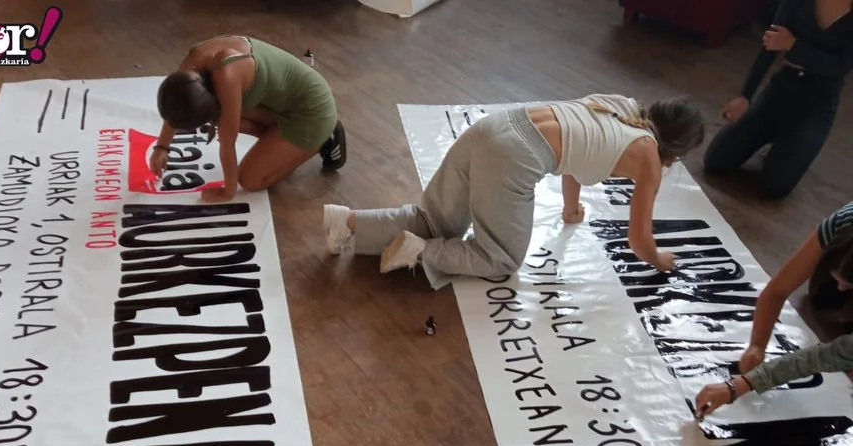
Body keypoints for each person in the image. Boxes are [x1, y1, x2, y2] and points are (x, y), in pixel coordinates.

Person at [322, 94, 705, 290]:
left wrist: (571, 210)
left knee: (434, 220)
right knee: (501, 258)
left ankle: (347, 223)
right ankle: (421, 252)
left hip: (495, 126)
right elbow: (639, 241)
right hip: (512, 157)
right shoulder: (648, 157)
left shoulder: (623, 107)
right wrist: (660, 260)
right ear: (677, 150)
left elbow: (579, 152)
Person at [694, 199, 853, 417]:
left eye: (849, 284)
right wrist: (757, 345)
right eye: (839, 278)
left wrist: (742, 384)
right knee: (825, 300)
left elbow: (832, 354)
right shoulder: (843, 222)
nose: (841, 287)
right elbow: (777, 290)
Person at [150, 35, 346, 202]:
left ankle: (323, 140)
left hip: (312, 112)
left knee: (250, 180)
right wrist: (162, 147)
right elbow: (178, 103)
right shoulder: (190, 69)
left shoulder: (227, 76)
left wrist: (228, 191)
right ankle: (281, 145)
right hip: (286, 104)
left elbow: (227, 144)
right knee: (231, 118)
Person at [703, 0, 853, 200]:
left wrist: (793, 45)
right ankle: (775, 137)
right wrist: (745, 96)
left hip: (818, 105)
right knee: (716, 160)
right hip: (779, 91)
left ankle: (786, 145)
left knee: (773, 187)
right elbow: (770, 45)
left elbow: (840, 67)